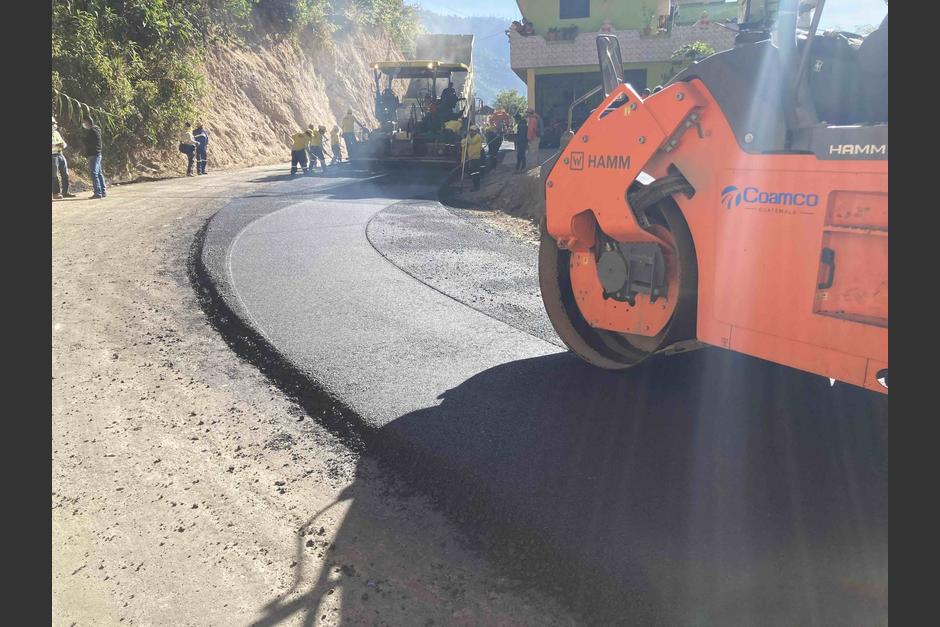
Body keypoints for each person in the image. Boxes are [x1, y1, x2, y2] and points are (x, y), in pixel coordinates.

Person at [82, 114, 106, 199]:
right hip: (97, 154)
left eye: (84, 122)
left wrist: (84, 140)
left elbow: (89, 142)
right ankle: (103, 191)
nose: (84, 124)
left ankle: (98, 192)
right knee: (99, 174)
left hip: (94, 155)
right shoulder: (96, 129)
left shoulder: (92, 131)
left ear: (87, 122)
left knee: (94, 174)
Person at [52, 116, 75, 199]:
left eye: (54, 123)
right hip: (53, 155)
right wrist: (56, 145)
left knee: (65, 174)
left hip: (60, 154)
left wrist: (63, 145)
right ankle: (56, 193)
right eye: (53, 123)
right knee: (54, 175)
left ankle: (65, 192)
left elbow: (64, 143)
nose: (54, 125)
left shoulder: (56, 133)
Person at [461, 125, 485, 191]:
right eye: (470, 131)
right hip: (471, 157)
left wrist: (467, 136)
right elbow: (464, 144)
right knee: (473, 172)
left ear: (475, 131)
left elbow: (472, 142)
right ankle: (475, 185)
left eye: (472, 131)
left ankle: (477, 186)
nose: (471, 132)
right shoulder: (471, 137)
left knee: (475, 172)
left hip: (476, 157)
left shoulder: (477, 136)